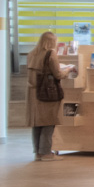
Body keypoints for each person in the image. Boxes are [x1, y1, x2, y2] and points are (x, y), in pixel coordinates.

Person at [26, 30, 74, 161]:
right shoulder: (50, 54)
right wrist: (68, 69)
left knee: (37, 123)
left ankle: (38, 152)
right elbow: (58, 74)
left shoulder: (31, 54)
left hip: (33, 93)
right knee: (49, 122)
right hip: (47, 92)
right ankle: (46, 153)